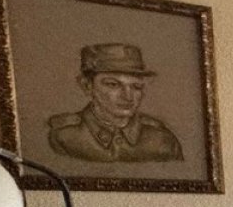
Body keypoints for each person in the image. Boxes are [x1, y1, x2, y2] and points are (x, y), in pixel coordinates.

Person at [47, 43, 184, 162]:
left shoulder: (163, 141)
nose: (128, 97)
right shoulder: (63, 136)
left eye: (136, 86)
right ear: (87, 86)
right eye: (113, 84)